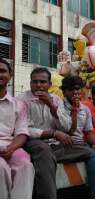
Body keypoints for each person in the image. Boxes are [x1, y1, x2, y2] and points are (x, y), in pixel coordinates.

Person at [18, 68, 95, 199]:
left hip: (56, 145)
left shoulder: (56, 100)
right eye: (35, 82)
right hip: (33, 143)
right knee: (43, 150)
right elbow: (24, 129)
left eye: (42, 82)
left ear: (49, 85)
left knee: (93, 154)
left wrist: (51, 105)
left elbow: (66, 127)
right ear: (30, 83)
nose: (39, 85)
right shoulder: (22, 100)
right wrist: (53, 133)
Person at [57, 75, 95, 199]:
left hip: (81, 146)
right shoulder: (59, 107)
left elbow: (89, 131)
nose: (75, 92)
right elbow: (68, 131)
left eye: (78, 89)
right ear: (64, 92)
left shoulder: (85, 109)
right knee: (94, 156)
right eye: (71, 89)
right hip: (65, 146)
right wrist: (74, 112)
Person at [0, 57, 34, 199]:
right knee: (1, 168)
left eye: (2, 71)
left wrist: (12, 148)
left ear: (10, 76)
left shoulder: (18, 104)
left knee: (26, 166)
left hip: (9, 146)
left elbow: (22, 132)